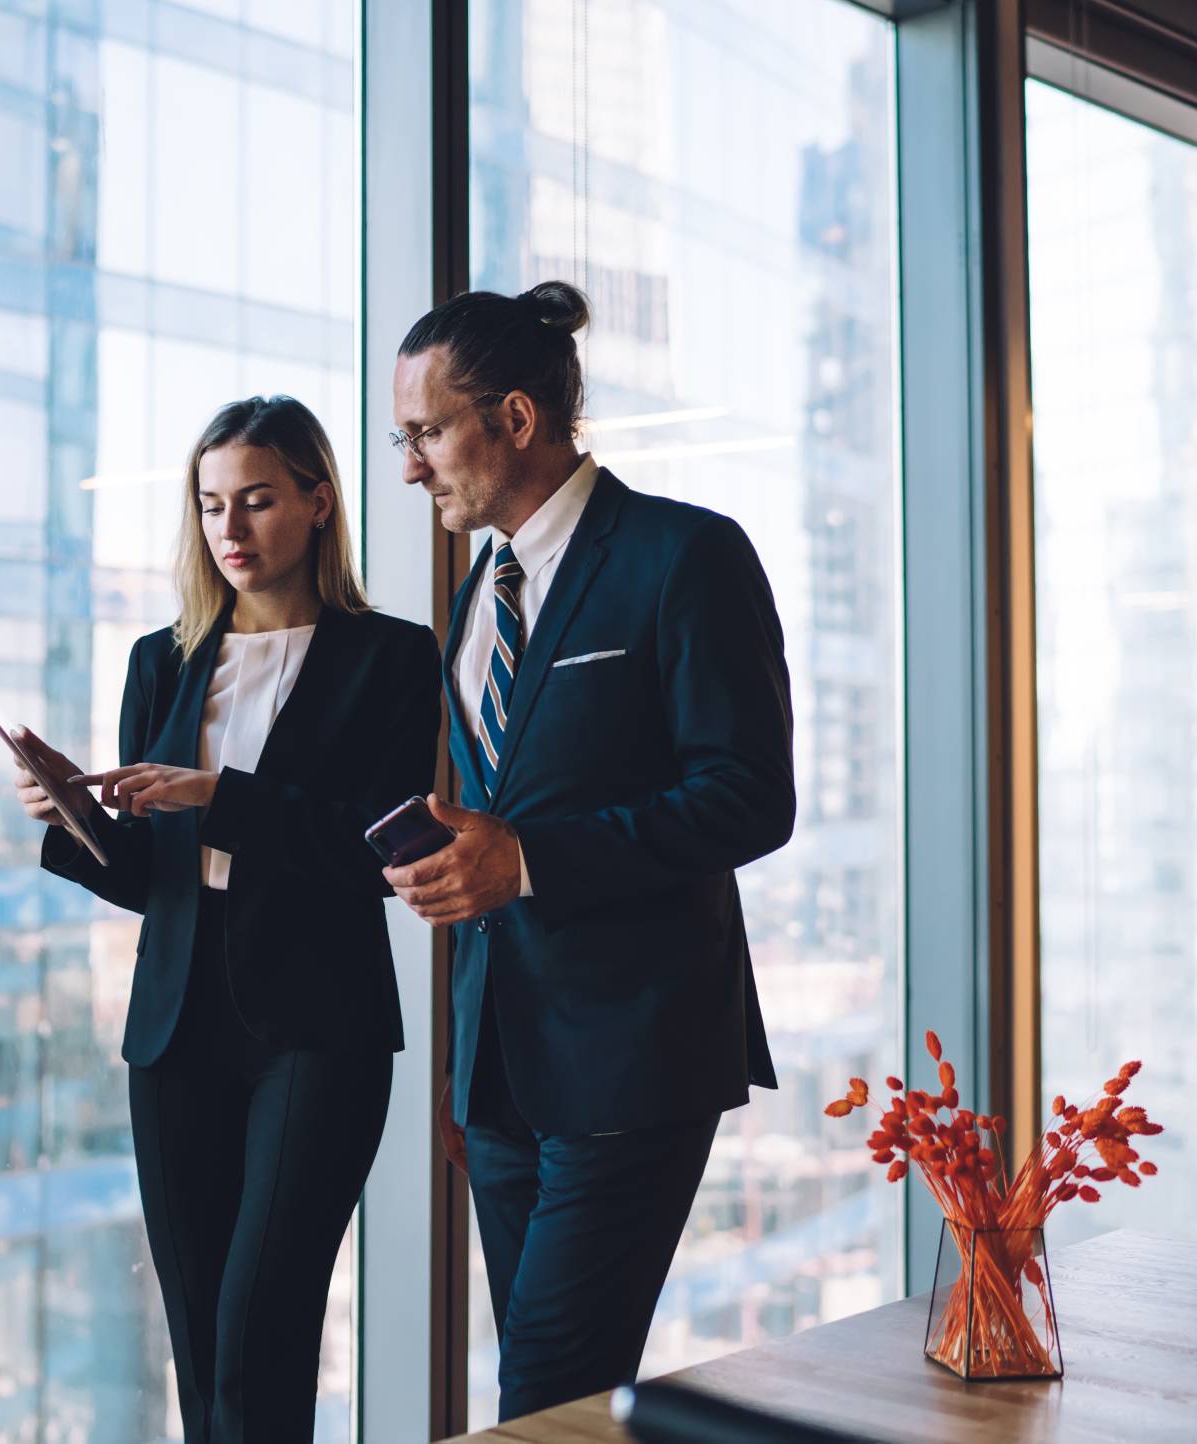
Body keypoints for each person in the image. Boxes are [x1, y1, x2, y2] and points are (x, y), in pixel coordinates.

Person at [383, 282, 796, 1420]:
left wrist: (526, 859)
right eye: (401, 439)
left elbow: (749, 797)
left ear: (514, 419)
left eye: (424, 433)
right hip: (502, 1074)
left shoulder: (685, 556)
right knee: (549, 1408)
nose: (409, 467)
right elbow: (493, 809)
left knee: (548, 1385)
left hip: (634, 1054)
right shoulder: (476, 592)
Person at [11, 395, 441, 1443]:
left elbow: (377, 853)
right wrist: (72, 819)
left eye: (255, 500)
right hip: (175, 1026)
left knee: (261, 1333)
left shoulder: (390, 656)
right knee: (202, 1352)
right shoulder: (162, 659)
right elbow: (150, 877)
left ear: (318, 501)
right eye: (210, 507)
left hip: (315, 1031)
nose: (230, 530)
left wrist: (218, 796)